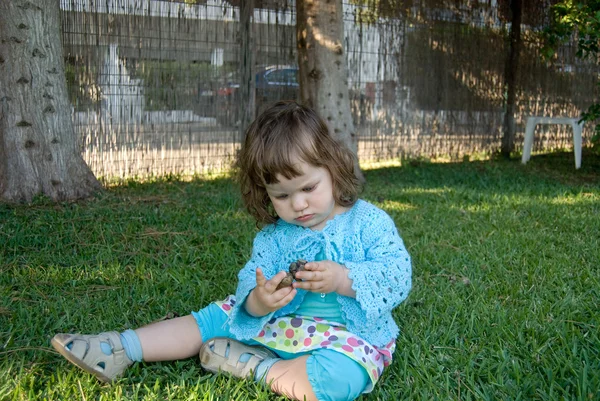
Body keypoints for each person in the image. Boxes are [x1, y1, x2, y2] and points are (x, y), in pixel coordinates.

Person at [51, 101, 412, 401]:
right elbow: (248, 291)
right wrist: (260, 301)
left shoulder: (368, 221)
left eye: (309, 187)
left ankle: (255, 366)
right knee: (215, 317)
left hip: (345, 336)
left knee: (337, 381)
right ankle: (120, 348)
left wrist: (343, 278)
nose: (298, 204)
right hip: (280, 325)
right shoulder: (274, 237)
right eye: (282, 196)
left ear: (332, 168)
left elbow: (397, 275)